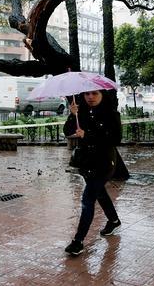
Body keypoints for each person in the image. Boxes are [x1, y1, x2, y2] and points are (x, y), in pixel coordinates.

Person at [63, 90, 122, 256]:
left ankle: (78, 241)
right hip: (86, 162)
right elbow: (67, 131)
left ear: (102, 95)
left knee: (87, 199)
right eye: (87, 94)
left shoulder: (111, 114)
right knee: (100, 193)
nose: (90, 97)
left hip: (104, 163)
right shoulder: (80, 112)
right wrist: (71, 114)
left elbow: (115, 139)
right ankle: (114, 220)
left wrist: (88, 135)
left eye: (94, 94)